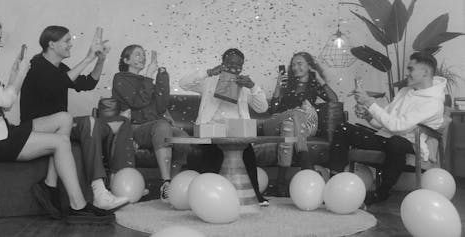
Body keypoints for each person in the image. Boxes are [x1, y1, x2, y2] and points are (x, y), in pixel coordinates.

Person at [0, 0, 113, 224]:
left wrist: (15, 73)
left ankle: (49, 186)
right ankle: (77, 205)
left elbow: (4, 102)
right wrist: (22, 73)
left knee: (64, 118)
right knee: (61, 143)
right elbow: (6, 101)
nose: (1, 44)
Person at [20, 26, 129, 211]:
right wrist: (88, 58)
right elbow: (57, 84)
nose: (71, 45)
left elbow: (87, 83)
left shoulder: (60, 67)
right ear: (52, 44)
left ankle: (100, 192)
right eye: (67, 41)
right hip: (36, 127)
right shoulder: (36, 65)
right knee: (84, 121)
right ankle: (95, 192)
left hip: (61, 125)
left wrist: (100, 60)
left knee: (92, 122)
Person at [329, 52, 446, 204]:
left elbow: (397, 127)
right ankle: (333, 183)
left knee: (396, 142)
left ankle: (382, 192)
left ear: (425, 72)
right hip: (385, 138)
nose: (407, 73)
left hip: (408, 143)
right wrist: (368, 115)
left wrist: (370, 103)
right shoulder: (405, 92)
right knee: (343, 128)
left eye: (411, 69)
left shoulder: (433, 102)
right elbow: (385, 121)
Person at [179, 48, 270, 206]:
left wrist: (253, 86)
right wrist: (208, 72)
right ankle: (207, 197)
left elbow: (262, 108)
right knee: (213, 152)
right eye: (230, 63)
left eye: (239, 64)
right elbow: (183, 84)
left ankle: (255, 195)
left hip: (236, 131)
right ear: (223, 63)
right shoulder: (209, 80)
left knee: (247, 151)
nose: (234, 67)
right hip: (211, 129)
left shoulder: (244, 84)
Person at [112, 45, 189, 203]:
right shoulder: (120, 78)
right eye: (137, 54)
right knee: (161, 126)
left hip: (155, 126)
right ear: (126, 60)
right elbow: (137, 102)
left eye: (143, 55)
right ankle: (165, 183)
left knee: (182, 137)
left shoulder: (146, 82)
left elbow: (161, 106)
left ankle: (173, 187)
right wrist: (148, 75)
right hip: (135, 128)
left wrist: (162, 78)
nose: (143, 57)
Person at [261, 52, 338, 196]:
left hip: (306, 125)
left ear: (309, 66)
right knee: (292, 116)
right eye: (293, 65)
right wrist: (278, 87)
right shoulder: (287, 83)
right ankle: (306, 165)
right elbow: (274, 109)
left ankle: (280, 183)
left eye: (300, 63)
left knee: (289, 125)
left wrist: (321, 80)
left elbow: (334, 100)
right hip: (278, 123)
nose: (295, 67)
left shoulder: (314, 85)